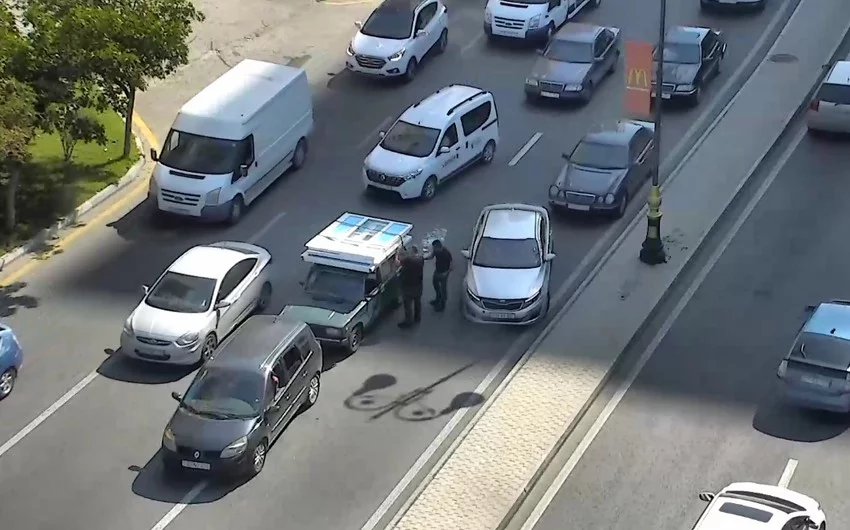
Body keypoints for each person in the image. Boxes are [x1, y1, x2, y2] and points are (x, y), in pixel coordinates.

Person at [397, 246, 424, 328]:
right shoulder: (420, 259)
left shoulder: (408, 260)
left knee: (407, 305)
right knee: (417, 302)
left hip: (408, 286)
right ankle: (417, 317)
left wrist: (397, 254)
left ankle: (408, 322)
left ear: (411, 252)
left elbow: (397, 263)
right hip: (418, 285)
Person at [426, 239, 452, 312]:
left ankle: (442, 305)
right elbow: (431, 256)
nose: (433, 249)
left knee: (443, 289)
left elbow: (451, 265)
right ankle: (437, 299)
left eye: (434, 248)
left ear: (438, 247)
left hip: (444, 272)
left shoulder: (446, 253)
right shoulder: (436, 251)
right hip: (437, 271)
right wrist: (423, 258)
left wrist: (446, 273)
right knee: (435, 285)